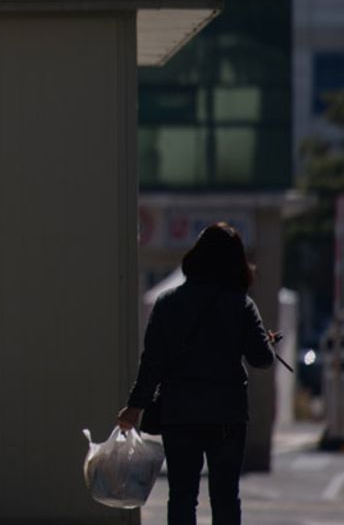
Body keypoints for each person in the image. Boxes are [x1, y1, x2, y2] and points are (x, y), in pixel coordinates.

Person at [117, 222, 278, 525]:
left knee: (181, 495)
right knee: (226, 495)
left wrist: (135, 406)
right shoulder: (242, 306)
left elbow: (152, 362)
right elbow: (261, 360)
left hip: (180, 413)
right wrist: (266, 342)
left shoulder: (167, 303)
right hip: (227, 415)